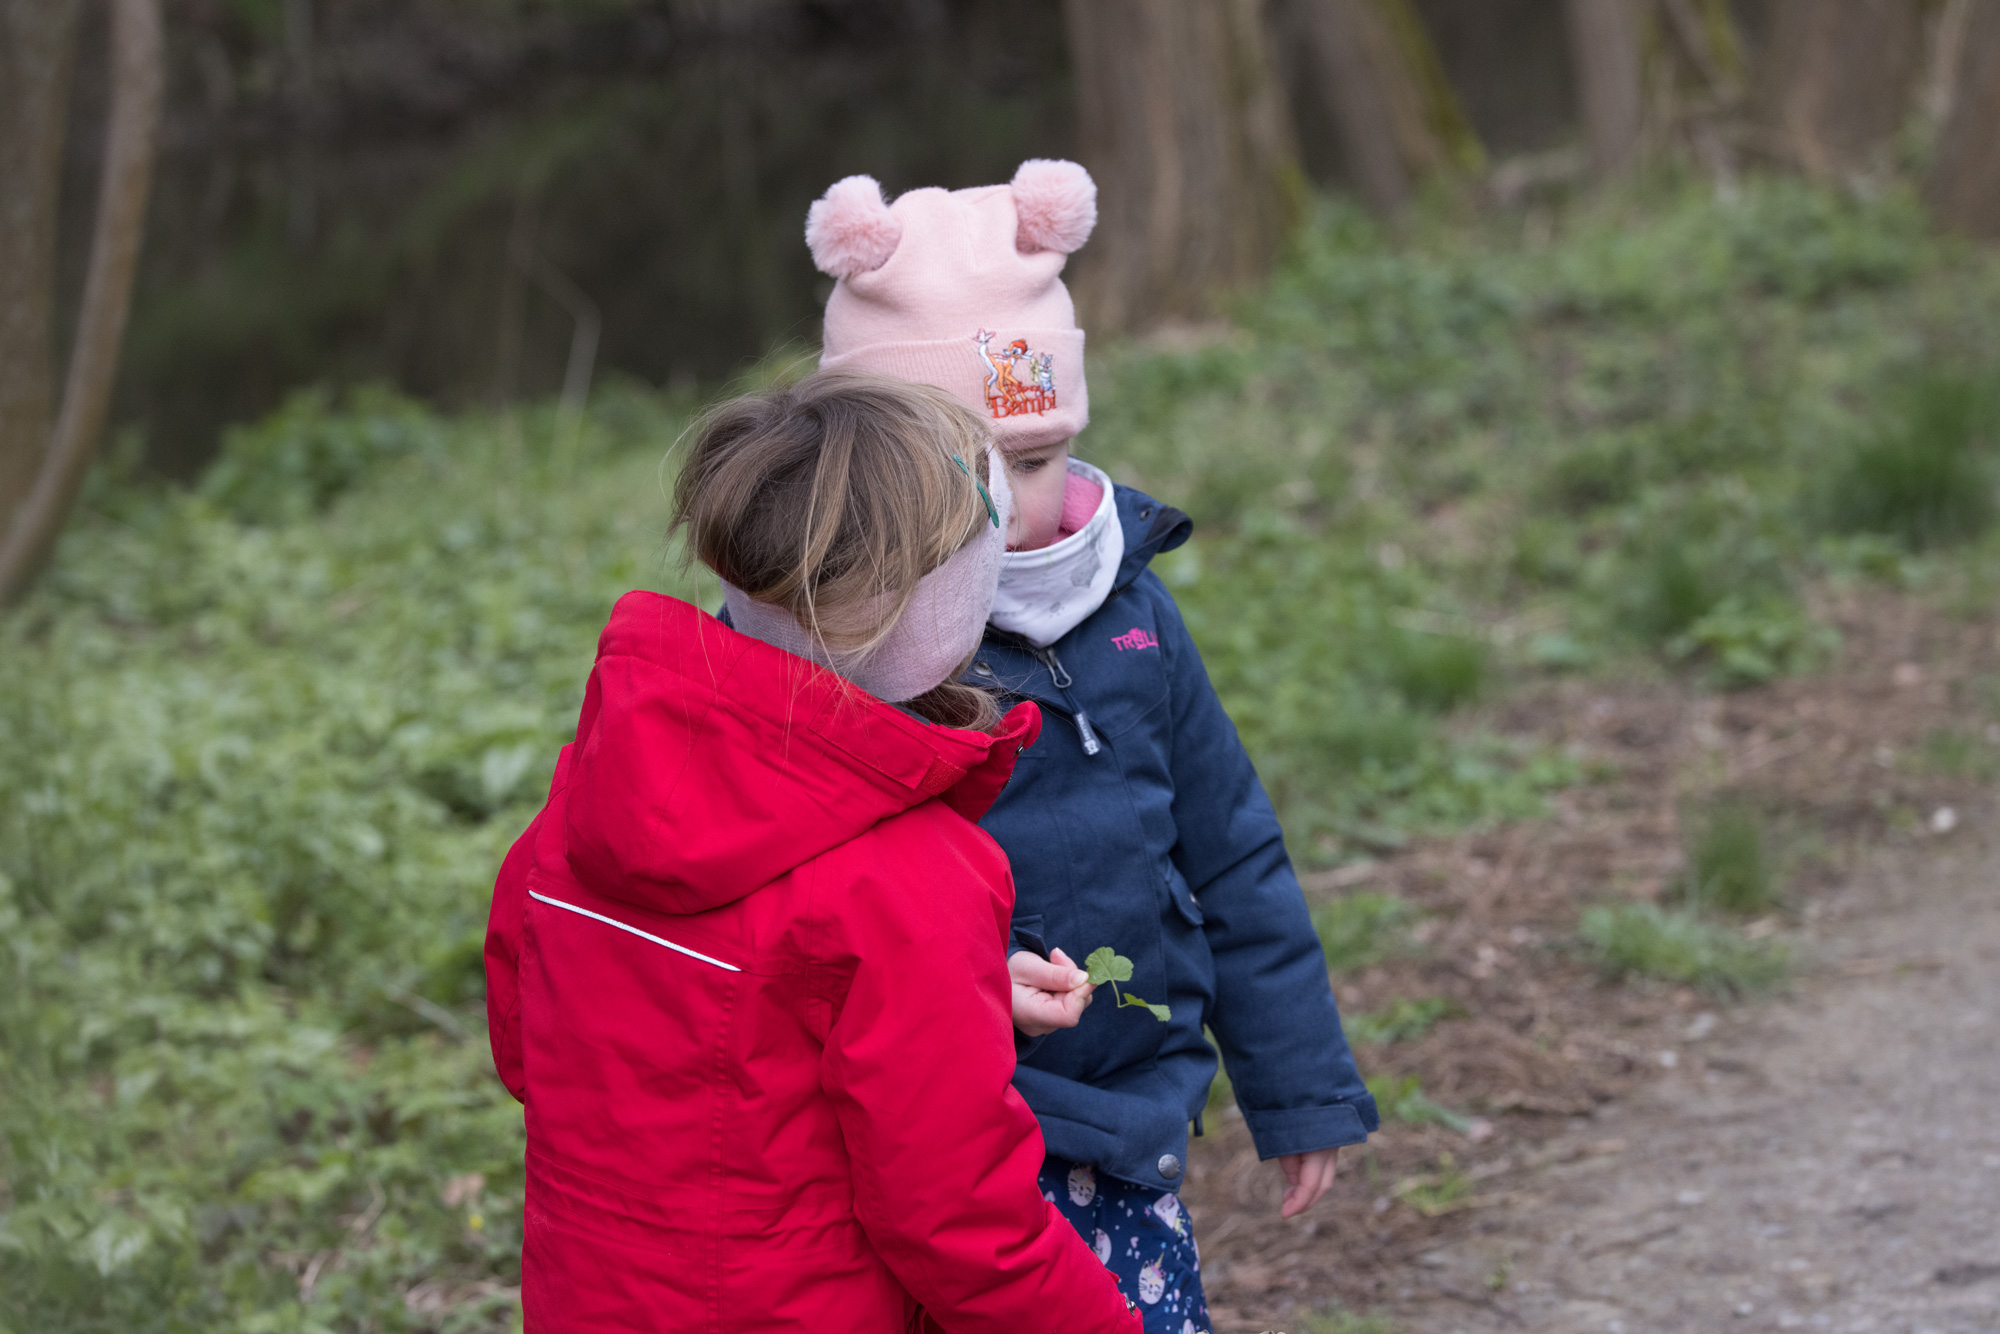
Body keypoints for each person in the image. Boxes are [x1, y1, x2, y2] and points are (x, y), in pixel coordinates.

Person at [802, 160, 1380, 1330]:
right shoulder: (847, 653)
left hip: (1124, 1116)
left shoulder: (1131, 617)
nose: (1003, 509)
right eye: (954, 474)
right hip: (939, 1125)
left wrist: (1297, 1088)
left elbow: (1231, 855)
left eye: (1027, 461)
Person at [483, 373, 1141, 1333]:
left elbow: (532, 1036)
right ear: (942, 607)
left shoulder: (593, 792)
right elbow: (961, 1223)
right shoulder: (908, 881)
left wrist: (952, 995)